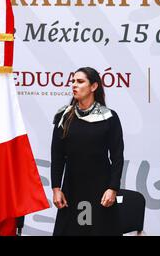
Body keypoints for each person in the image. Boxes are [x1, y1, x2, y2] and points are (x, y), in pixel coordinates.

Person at [51, 67, 124, 236]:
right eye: (73, 81)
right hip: (72, 189)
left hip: (100, 190)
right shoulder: (64, 116)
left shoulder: (109, 117)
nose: (74, 85)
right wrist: (56, 188)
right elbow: (57, 155)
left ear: (93, 86)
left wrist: (113, 188)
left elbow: (117, 156)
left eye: (80, 81)